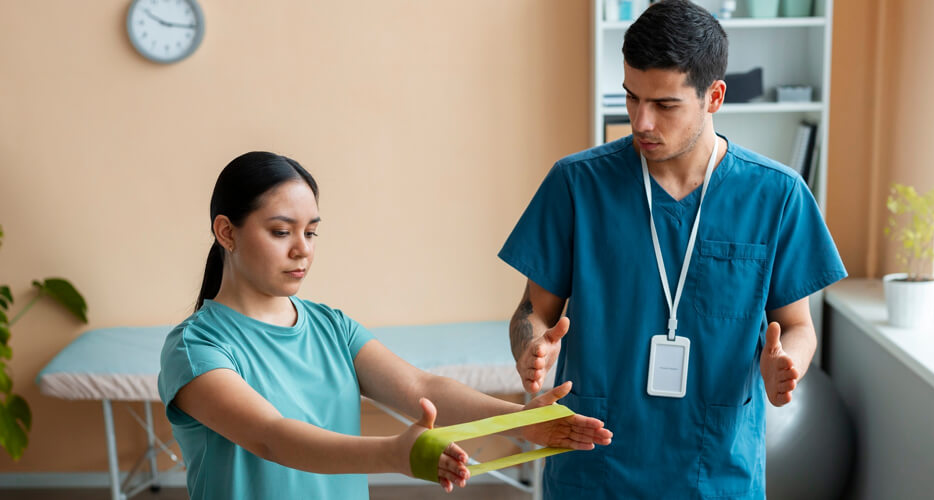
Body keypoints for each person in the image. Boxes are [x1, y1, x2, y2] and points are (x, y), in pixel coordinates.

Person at [498, 1, 847, 498]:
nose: (641, 121)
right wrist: (530, 345)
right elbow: (532, 311)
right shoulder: (576, 186)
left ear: (714, 97)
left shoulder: (777, 195)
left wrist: (784, 365)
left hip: (715, 474)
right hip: (595, 473)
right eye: (631, 97)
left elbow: (796, 327)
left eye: (664, 105)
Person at [157, 152, 612, 500]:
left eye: (311, 232)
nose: (302, 249)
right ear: (226, 232)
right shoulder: (196, 348)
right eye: (281, 232)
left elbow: (420, 385)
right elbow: (271, 437)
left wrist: (522, 422)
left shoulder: (330, 326)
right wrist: (394, 453)